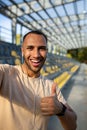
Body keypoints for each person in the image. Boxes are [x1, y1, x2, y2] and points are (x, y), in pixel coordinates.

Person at [0, 30, 77, 130]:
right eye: (30, 48)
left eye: (41, 48)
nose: (36, 55)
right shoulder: (6, 73)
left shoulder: (51, 86)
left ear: (47, 52)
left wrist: (61, 110)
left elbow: (72, 126)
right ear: (22, 51)